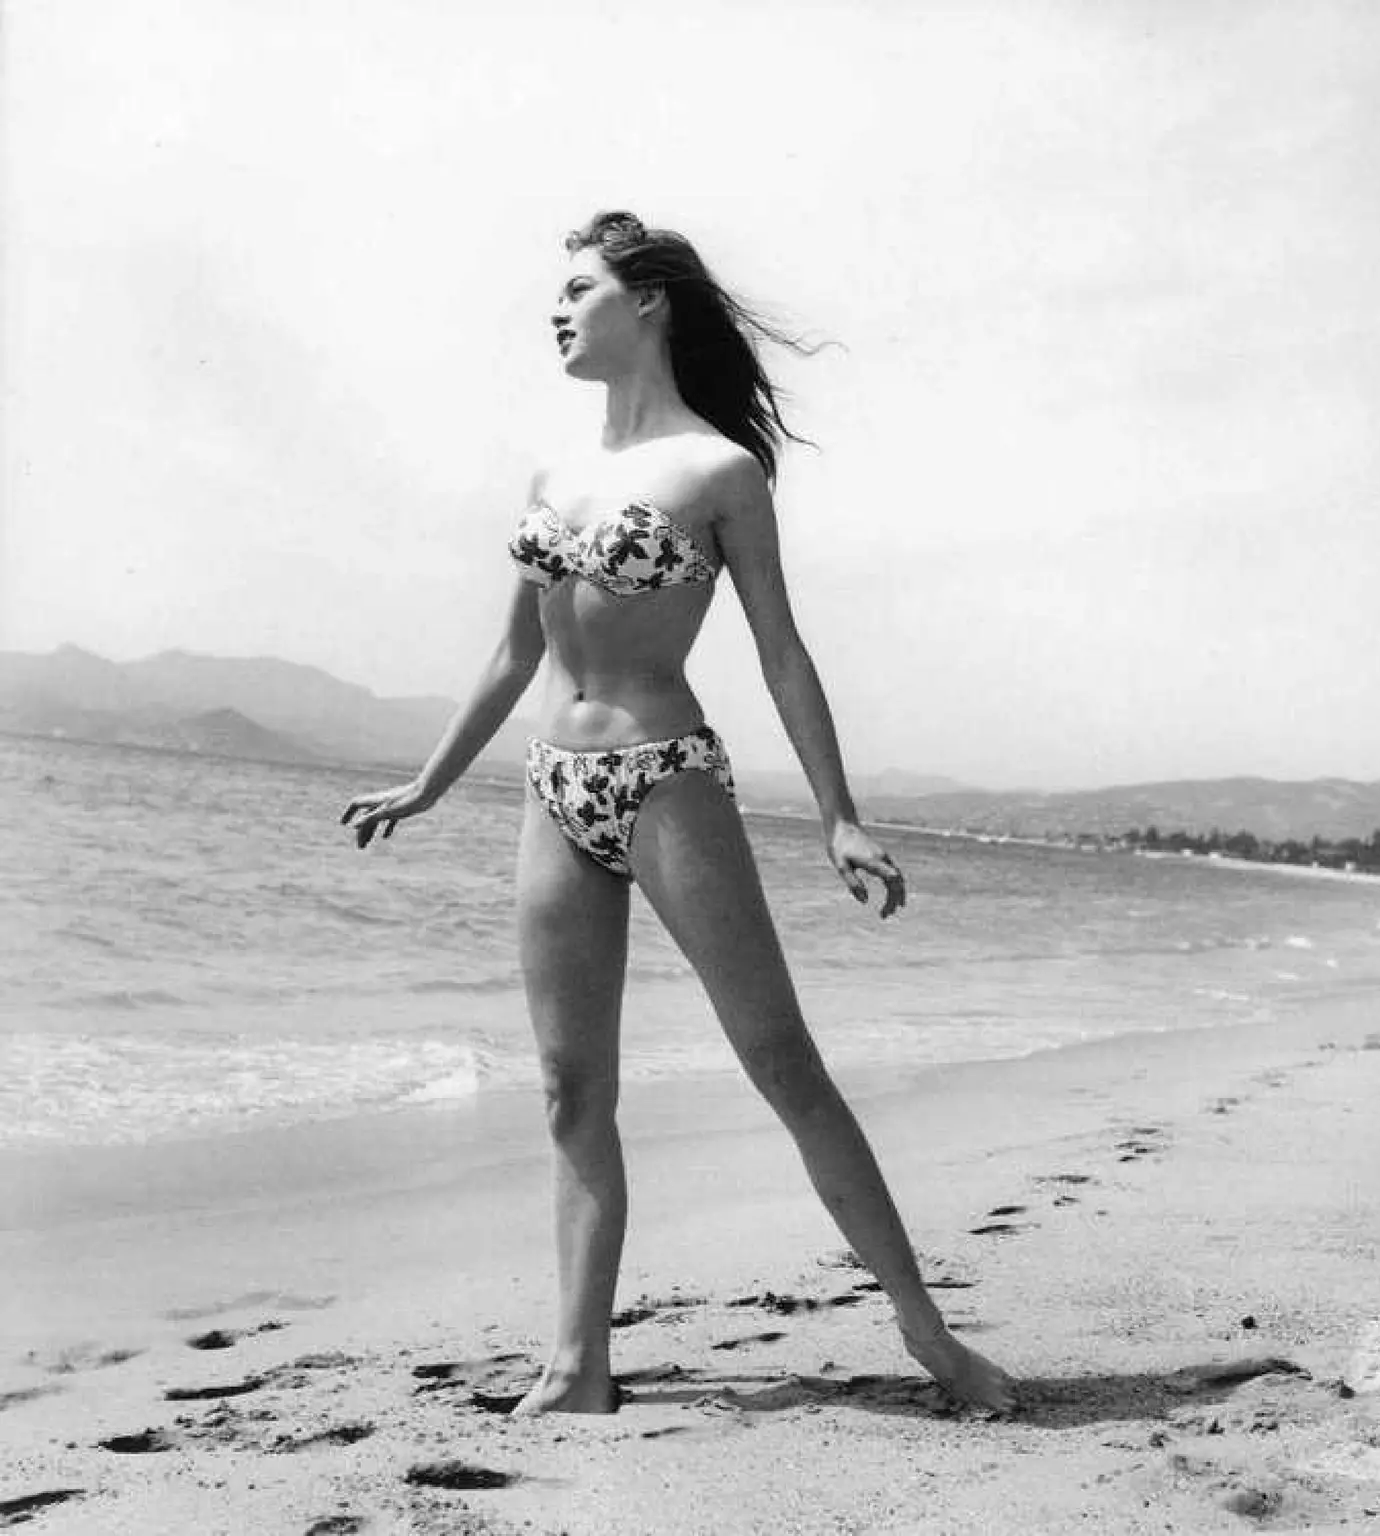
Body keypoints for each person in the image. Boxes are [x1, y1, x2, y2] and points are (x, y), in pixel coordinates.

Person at [341, 210, 1016, 1417]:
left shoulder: (719, 472)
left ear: (647, 302)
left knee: (781, 1063)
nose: (556, 309)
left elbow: (781, 652)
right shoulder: (551, 476)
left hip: (664, 777)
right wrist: (429, 782)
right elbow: (508, 657)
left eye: (579, 288)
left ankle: (931, 1337)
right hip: (552, 789)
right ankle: (576, 1363)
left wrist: (838, 819)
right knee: (567, 1091)